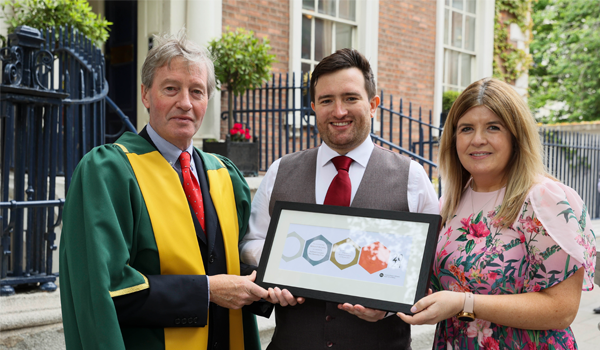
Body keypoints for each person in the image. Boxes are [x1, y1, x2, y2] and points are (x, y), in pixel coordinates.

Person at [59, 32, 270, 350]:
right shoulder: (110, 173)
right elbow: (103, 290)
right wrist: (208, 291)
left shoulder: (224, 176)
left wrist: (276, 282)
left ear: (207, 102)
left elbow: (226, 265)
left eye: (196, 91)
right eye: (171, 89)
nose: (185, 103)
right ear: (145, 95)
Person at [239, 48, 439, 349]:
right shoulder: (281, 170)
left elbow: (431, 269)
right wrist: (276, 269)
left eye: (350, 98)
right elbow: (252, 242)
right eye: (326, 100)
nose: (339, 111)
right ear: (313, 107)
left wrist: (388, 307)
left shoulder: (411, 177)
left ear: (373, 105)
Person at [398, 78, 596, 349]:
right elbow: (427, 285)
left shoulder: (544, 199)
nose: (478, 140)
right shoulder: (450, 202)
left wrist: (465, 303)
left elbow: (562, 309)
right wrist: (382, 305)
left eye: (493, 127)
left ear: (516, 136)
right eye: (466, 128)